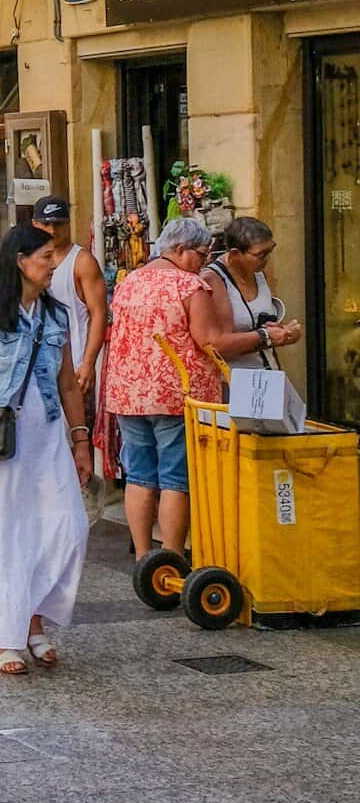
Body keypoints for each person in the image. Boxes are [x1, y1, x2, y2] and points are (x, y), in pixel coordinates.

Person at [0, 224, 94, 676]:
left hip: (47, 434)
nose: (53, 265)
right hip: (1, 436)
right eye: (46, 256)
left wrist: (81, 440)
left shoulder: (56, 313)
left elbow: (68, 383)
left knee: (68, 528)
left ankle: (32, 615)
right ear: (21, 261)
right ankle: (11, 636)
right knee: (7, 534)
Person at [103, 216, 271, 559]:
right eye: (201, 254)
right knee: (175, 480)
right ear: (180, 250)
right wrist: (264, 337)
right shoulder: (189, 286)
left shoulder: (129, 281)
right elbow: (211, 341)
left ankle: (144, 559)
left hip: (128, 394)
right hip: (176, 395)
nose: (204, 263)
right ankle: (173, 557)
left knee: (139, 477)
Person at [202, 215, 304, 374]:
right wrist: (265, 337)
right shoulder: (213, 280)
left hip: (267, 370)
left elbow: (264, 325)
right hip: (234, 377)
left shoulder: (258, 272)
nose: (266, 260)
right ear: (235, 254)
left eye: (270, 251)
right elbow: (218, 345)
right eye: (261, 255)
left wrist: (285, 332)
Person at [31, 195, 109, 402]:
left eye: (58, 224)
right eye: (46, 224)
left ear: (68, 223)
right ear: (35, 224)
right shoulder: (26, 261)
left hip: (74, 367)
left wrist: (88, 362)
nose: (52, 230)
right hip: (37, 370)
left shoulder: (82, 262)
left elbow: (99, 313)